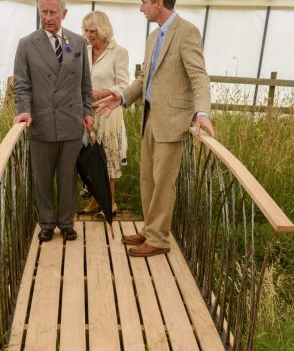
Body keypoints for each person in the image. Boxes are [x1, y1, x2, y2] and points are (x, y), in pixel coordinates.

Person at [96, 0, 215, 257]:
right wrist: (123, 97)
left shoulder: (187, 31)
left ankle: (159, 239)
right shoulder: (153, 36)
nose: (141, 9)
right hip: (149, 117)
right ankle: (150, 231)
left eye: (144, 3)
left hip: (173, 122)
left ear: (158, 3)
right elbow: (144, 79)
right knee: (148, 179)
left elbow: (198, 76)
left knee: (163, 183)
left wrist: (202, 112)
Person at [13, 0, 94, 242]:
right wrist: (24, 111)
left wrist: (87, 111)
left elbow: (85, 84)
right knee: (43, 177)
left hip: (71, 121)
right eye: (43, 12)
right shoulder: (26, 44)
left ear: (64, 13)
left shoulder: (78, 42)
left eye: (53, 12)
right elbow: (21, 85)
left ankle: (67, 223)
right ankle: (47, 222)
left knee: (69, 177)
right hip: (41, 122)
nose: (48, 17)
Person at [78, 10, 129, 219]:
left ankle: (111, 202)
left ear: (103, 30)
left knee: (106, 157)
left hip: (108, 111)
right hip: (88, 111)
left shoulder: (119, 52)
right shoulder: (84, 50)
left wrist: (104, 92)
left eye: (93, 31)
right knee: (89, 157)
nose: (89, 34)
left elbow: (124, 85)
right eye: (86, 30)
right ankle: (95, 200)